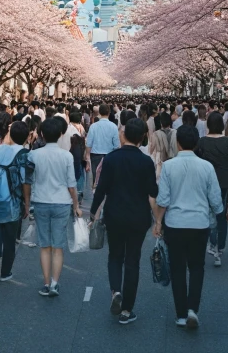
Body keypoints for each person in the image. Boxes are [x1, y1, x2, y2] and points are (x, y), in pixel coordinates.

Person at [153, 125, 223, 330]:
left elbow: (163, 199)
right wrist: (218, 214)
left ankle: (181, 314)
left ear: (177, 143)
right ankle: (193, 309)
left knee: (177, 268)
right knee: (197, 266)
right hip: (200, 223)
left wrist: (158, 222)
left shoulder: (168, 166)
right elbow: (216, 199)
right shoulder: (207, 167)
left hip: (175, 223)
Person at [91, 118, 157, 325]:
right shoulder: (146, 162)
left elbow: (101, 188)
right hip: (138, 217)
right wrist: (158, 219)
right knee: (133, 261)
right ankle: (127, 310)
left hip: (115, 214)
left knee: (115, 256)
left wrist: (93, 212)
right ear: (143, 137)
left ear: (124, 135)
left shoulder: (111, 159)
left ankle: (116, 291)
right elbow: (153, 192)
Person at [25, 117, 82, 298]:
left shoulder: (33, 155)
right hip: (62, 202)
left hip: (41, 201)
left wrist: (27, 203)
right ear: (60, 134)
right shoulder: (67, 155)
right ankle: (55, 284)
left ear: (41, 134)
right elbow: (71, 184)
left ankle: (46, 282)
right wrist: (76, 204)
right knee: (58, 246)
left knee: (45, 245)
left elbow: (28, 180)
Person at [0, 119, 30, 282]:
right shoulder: (24, 154)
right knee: (10, 240)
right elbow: (26, 182)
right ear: (26, 137)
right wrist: (27, 204)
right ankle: (5, 272)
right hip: (12, 202)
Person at [196, 112, 228, 266]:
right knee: (221, 213)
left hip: (206, 180)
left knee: (208, 211)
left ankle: (211, 243)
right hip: (224, 180)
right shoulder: (227, 141)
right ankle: (220, 246)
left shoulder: (202, 141)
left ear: (208, 125)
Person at [85, 103, 121, 188]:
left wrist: (87, 156)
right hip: (110, 155)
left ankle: (97, 194)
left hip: (95, 155)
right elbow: (116, 145)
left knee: (96, 177)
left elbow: (89, 143)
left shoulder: (93, 126)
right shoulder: (113, 126)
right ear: (109, 113)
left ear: (99, 113)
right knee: (109, 177)